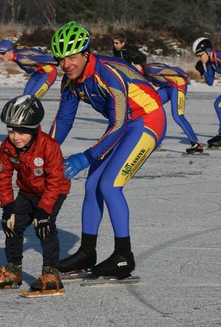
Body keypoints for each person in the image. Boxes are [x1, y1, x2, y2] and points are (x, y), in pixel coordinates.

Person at [49, 21, 166, 280]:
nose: (66, 64)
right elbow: (64, 120)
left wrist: (86, 157)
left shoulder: (107, 75)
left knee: (110, 185)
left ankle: (124, 256)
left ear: (86, 54)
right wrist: (45, 150)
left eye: (71, 57)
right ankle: (87, 253)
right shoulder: (70, 82)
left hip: (148, 120)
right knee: (92, 186)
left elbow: (119, 123)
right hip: (124, 125)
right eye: (60, 59)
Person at [0, 95, 71, 292]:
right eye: (11, 131)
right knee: (11, 224)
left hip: (53, 191)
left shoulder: (48, 147)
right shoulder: (7, 147)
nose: (16, 137)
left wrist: (43, 211)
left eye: (22, 132)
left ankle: (51, 273)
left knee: (44, 227)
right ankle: (13, 270)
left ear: (34, 129)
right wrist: (8, 206)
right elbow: (2, 175)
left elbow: (55, 180)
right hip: (27, 191)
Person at [131, 52, 203, 154]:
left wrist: (185, 77)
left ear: (140, 65)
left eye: (134, 65)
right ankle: (157, 141)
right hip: (168, 86)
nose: (132, 68)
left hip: (178, 85)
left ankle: (196, 144)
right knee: (151, 106)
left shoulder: (150, 69)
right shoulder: (142, 73)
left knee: (177, 116)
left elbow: (174, 69)